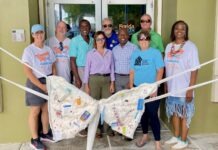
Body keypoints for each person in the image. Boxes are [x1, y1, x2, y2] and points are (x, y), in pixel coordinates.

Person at [164, 20, 199, 149]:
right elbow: (168, 67)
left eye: (182, 29)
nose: (179, 31)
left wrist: (190, 89)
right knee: (174, 112)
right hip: (172, 87)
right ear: (173, 30)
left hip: (184, 88)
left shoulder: (191, 47)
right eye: (177, 28)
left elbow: (195, 69)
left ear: (186, 31)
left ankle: (183, 141)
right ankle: (177, 136)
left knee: (184, 114)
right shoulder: (169, 46)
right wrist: (167, 84)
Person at [22, 24, 56, 150]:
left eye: (41, 32)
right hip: (35, 82)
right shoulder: (29, 50)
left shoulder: (48, 49)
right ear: (32, 35)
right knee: (35, 111)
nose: (39, 35)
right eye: (36, 33)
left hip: (47, 80)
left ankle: (45, 133)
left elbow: (53, 65)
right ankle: (35, 139)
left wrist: (53, 80)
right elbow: (27, 71)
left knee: (46, 109)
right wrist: (41, 85)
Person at [129, 31, 164, 150]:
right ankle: (145, 136)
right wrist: (131, 88)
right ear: (138, 41)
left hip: (152, 89)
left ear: (149, 40)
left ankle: (158, 142)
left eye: (146, 39)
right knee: (142, 114)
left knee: (153, 115)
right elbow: (132, 71)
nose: (143, 41)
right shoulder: (135, 54)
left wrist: (155, 87)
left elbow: (160, 71)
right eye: (141, 39)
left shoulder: (155, 53)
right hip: (138, 89)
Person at [84, 31, 115, 138]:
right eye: (98, 39)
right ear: (95, 41)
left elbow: (112, 69)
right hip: (94, 80)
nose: (101, 41)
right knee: (95, 106)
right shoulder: (90, 54)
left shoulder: (109, 53)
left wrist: (112, 82)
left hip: (107, 80)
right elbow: (86, 70)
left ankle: (107, 128)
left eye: (102, 39)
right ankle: (96, 129)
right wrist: (86, 85)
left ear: (104, 40)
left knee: (107, 105)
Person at [69, 19, 94, 89]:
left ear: (90, 28)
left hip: (92, 70)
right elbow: (72, 60)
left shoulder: (93, 40)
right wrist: (77, 78)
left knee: (90, 94)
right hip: (80, 71)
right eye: (82, 26)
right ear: (79, 29)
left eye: (86, 26)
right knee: (81, 95)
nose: (84, 28)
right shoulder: (74, 41)